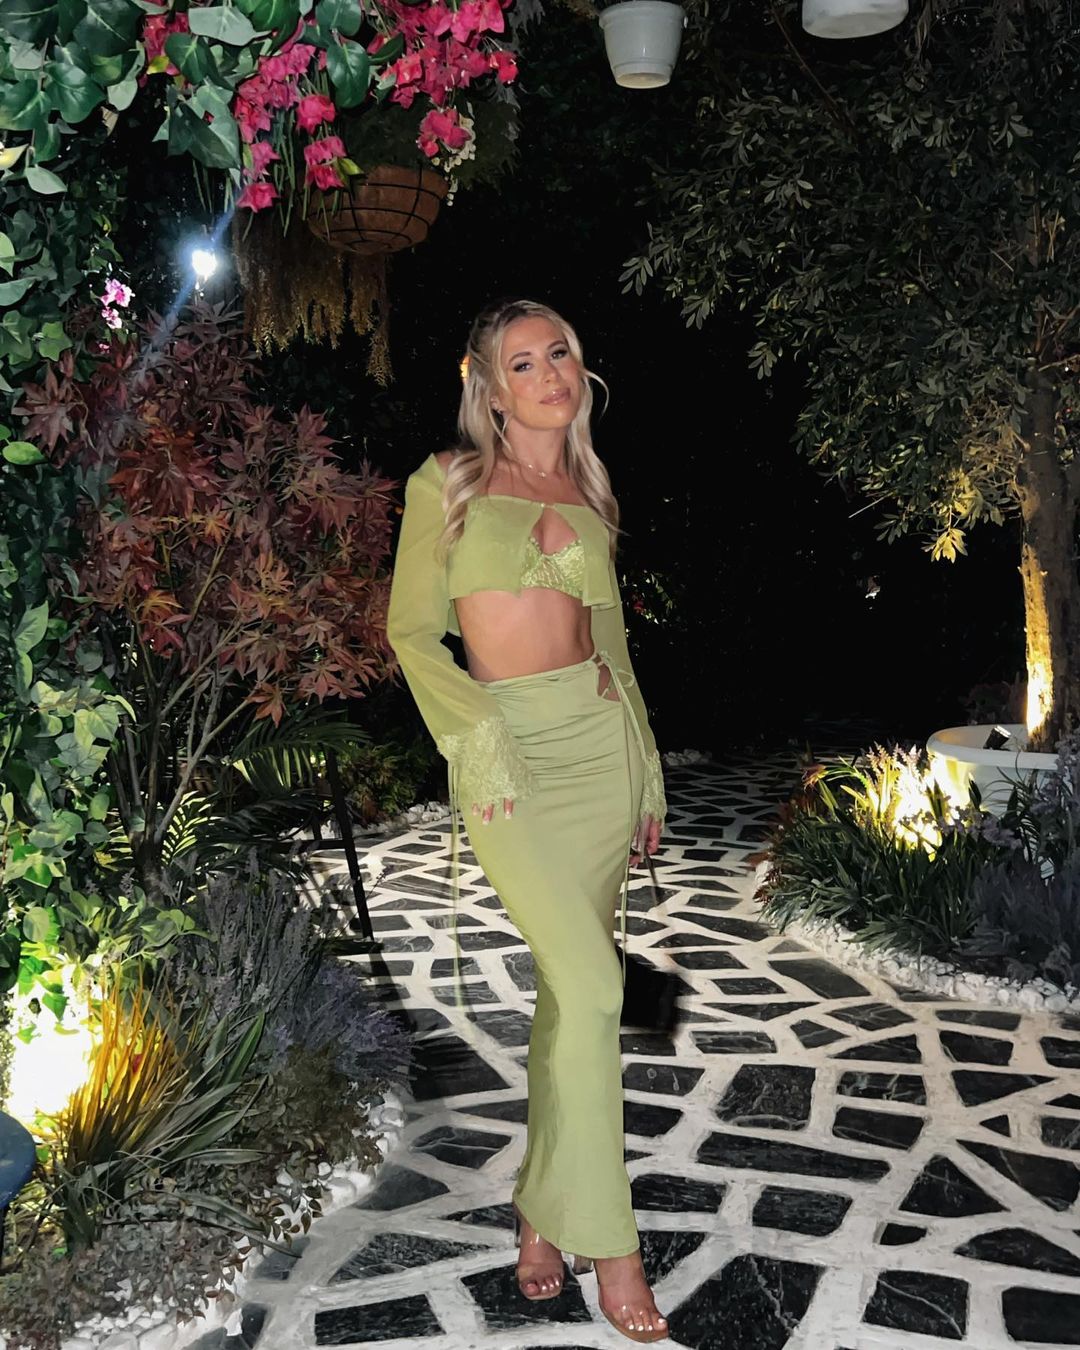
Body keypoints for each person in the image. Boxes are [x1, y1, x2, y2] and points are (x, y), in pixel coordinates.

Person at [386, 298, 668, 1344]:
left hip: (600, 750)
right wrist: (475, 739)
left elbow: (612, 644)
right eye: (523, 362)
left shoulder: (589, 490)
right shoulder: (448, 483)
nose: (549, 373)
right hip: (506, 758)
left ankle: (542, 1215)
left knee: (567, 1003)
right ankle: (614, 1245)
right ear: (490, 388)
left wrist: (646, 769)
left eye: (560, 354)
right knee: (597, 987)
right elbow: (411, 633)